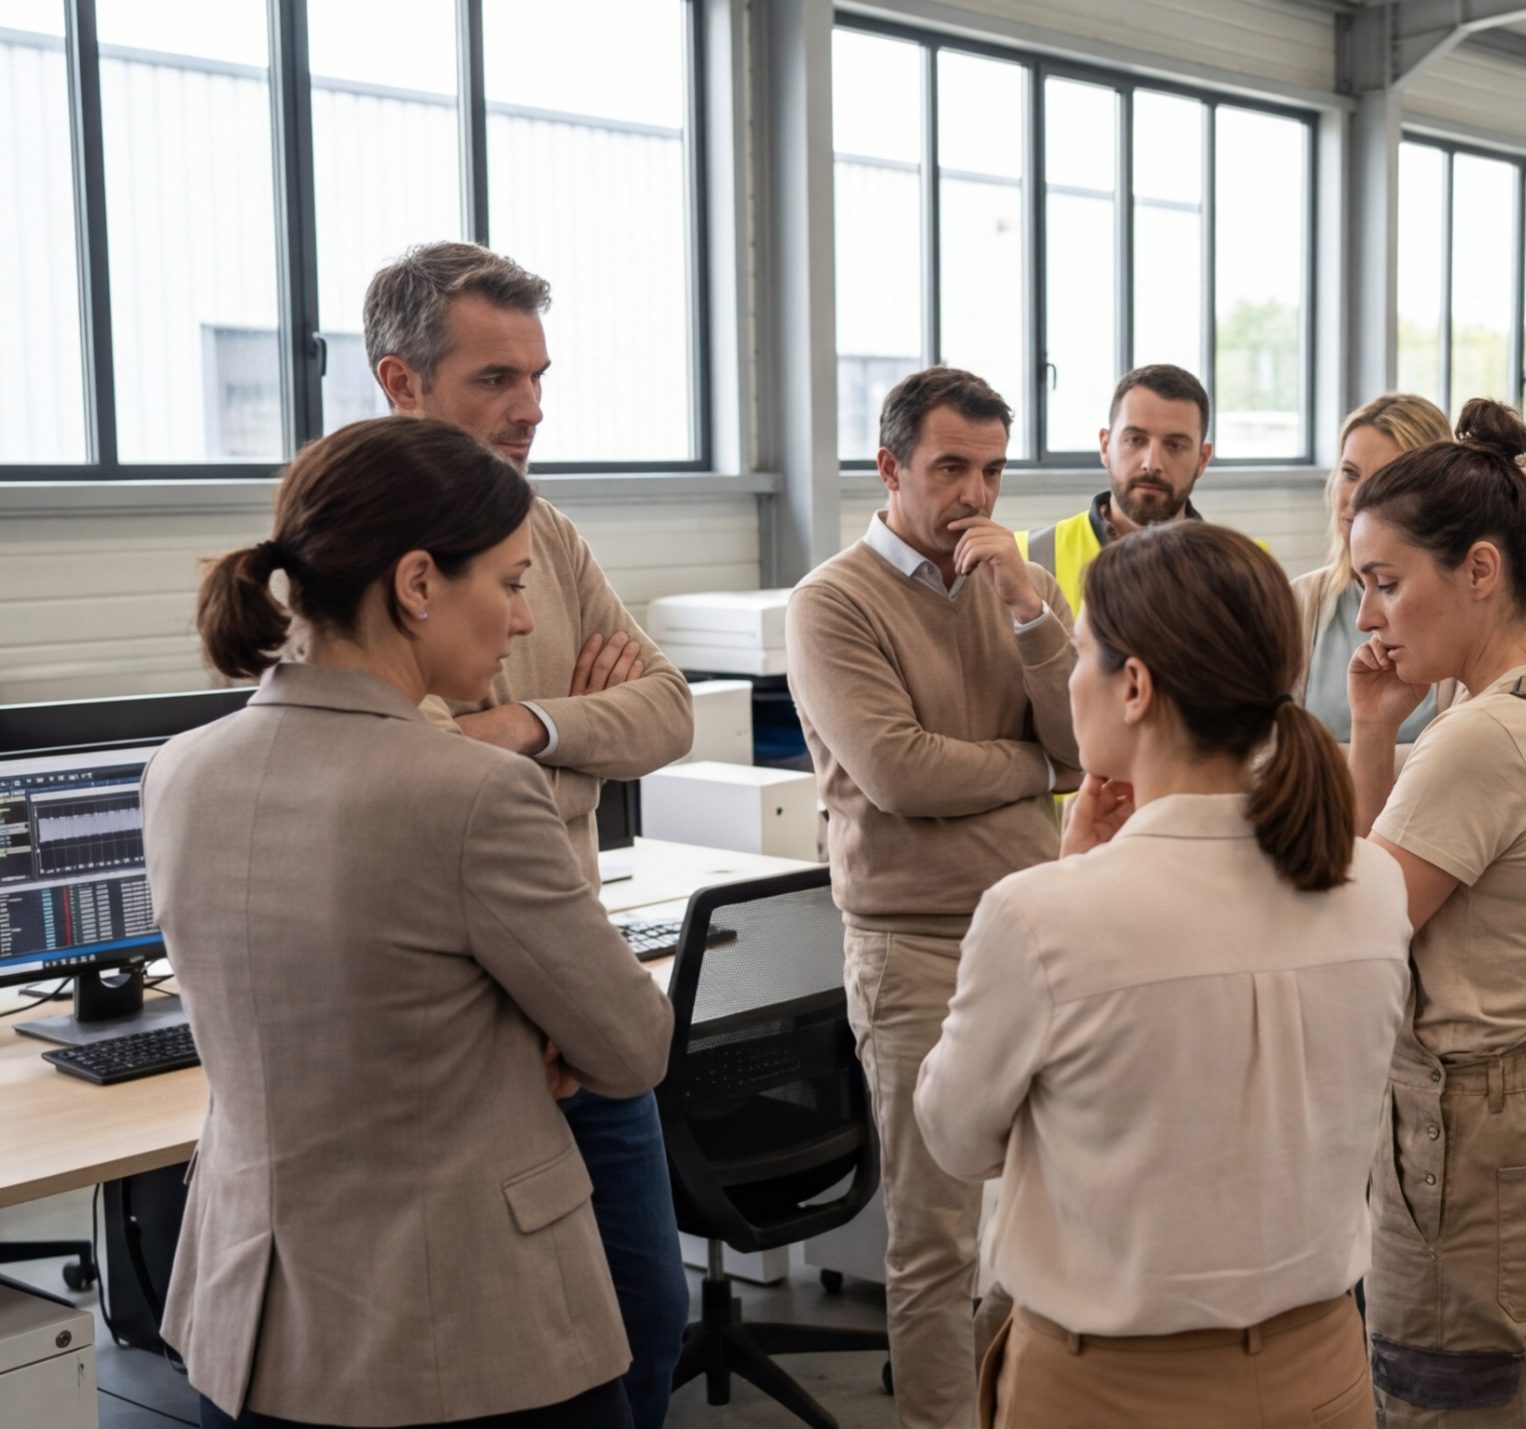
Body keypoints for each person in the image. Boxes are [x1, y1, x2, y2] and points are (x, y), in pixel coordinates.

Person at [152, 416, 673, 1428]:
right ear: (420, 583)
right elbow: (631, 1044)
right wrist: (531, 1036)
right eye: (512, 583)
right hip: (463, 1340)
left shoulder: (180, 770)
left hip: (251, 1327)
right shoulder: (472, 792)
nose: (525, 621)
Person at [913, 521, 1411, 1428]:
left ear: (1134, 685)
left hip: (1111, 1390)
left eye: (1083, 652)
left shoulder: (1042, 916)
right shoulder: (1371, 882)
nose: (1068, 676)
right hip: (1324, 1370)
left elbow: (955, 1138)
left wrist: (1070, 876)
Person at [363, 241, 696, 1429]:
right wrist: (567, 735)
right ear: (402, 385)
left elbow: (666, 711)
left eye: (539, 377)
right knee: (507, 1364)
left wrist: (523, 723)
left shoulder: (544, 534)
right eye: (495, 380)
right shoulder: (339, 554)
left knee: (648, 1316)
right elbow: (398, 770)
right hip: (455, 1030)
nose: (530, 409)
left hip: (578, 1001)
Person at [785, 366, 1080, 1429]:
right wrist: (1035, 769)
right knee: (935, 1237)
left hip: (1039, 932)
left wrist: (1028, 608)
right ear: (891, 466)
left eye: (992, 471)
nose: (974, 496)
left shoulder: (1024, 589)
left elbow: (1085, 740)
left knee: (1054, 1211)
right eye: (950, 467)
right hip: (912, 949)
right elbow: (900, 773)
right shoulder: (831, 603)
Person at [1344, 399, 1526, 1426]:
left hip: (1479, 1150)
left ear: (1478, 569)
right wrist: (1375, 733)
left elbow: (1355, 926)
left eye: (1387, 584)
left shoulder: (1483, 740)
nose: (1370, 615)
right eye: (1360, 588)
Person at [1293, 393, 1453, 746]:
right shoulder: (1295, 602)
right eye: (1349, 473)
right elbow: (1266, 754)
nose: (1356, 498)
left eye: (1383, 481)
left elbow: (1467, 760)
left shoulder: (1461, 618)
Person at [1015, 363, 1216, 613]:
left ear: (1203, 459)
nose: (1151, 464)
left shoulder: (1241, 572)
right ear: (1105, 446)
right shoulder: (1024, 555)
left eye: (1175, 445)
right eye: (1135, 440)